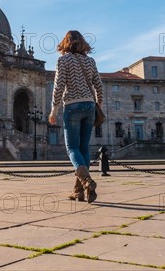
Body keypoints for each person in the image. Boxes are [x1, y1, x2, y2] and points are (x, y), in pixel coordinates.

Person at [49, 31, 104, 204]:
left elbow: (58, 87)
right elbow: (99, 86)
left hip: (72, 106)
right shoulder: (90, 61)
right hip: (89, 106)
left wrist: (53, 110)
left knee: (72, 148)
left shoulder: (63, 60)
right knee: (84, 148)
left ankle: (87, 180)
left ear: (65, 43)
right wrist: (98, 106)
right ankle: (79, 191)